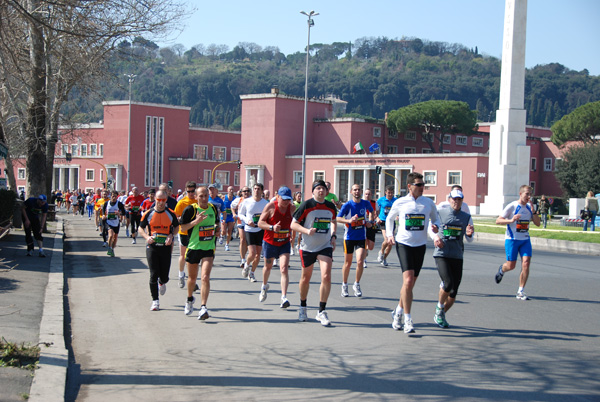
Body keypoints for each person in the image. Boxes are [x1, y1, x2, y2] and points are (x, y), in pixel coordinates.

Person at [386, 172, 440, 334]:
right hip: (404, 244)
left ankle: (398, 311)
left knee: (409, 285)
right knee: (408, 281)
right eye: (418, 185)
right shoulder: (401, 202)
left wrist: (436, 230)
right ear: (409, 186)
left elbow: (435, 220)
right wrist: (390, 235)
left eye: (423, 185)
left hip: (420, 245)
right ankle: (408, 320)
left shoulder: (428, 203)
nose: (422, 187)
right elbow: (389, 218)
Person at [290, 180, 337, 326]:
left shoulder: (330, 206)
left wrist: (333, 236)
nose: (321, 191)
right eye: (318, 189)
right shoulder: (306, 205)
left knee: (326, 275)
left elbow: (334, 221)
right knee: (306, 278)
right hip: (308, 247)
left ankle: (321, 311)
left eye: (323, 188)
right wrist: (306, 231)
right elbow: (293, 224)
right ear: (313, 191)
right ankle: (303, 306)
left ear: (326, 191)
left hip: (324, 245)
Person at [428, 189, 474, 328]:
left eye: (459, 199)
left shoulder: (466, 216)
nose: (456, 202)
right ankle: (439, 306)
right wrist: (436, 237)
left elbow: (469, 238)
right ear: (449, 199)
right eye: (454, 199)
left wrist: (469, 234)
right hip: (442, 253)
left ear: (462, 201)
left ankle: (440, 314)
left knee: (453, 293)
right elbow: (430, 228)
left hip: (457, 255)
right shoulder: (440, 212)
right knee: (448, 283)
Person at [179, 186, 220, 320]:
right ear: (196, 197)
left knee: (205, 277)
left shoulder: (213, 208)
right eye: (200, 196)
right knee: (192, 279)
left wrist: (218, 230)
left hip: (208, 248)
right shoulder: (190, 210)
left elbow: (217, 224)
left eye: (205, 195)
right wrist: (195, 222)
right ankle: (190, 299)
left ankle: (203, 307)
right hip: (193, 248)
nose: (203, 198)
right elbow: (182, 227)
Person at [494, 184, 541, 300]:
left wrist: (534, 211)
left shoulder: (530, 207)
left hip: (525, 239)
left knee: (526, 263)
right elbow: (498, 221)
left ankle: (521, 291)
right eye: (527, 194)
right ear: (520, 194)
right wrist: (511, 220)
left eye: (530, 194)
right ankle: (502, 269)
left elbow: (538, 223)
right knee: (511, 266)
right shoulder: (512, 206)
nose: (529, 197)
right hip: (512, 239)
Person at [139, 189, 179, 311]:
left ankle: (162, 282)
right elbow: (140, 228)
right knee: (153, 274)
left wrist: (171, 236)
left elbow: (177, 227)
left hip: (166, 248)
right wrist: (147, 237)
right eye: (158, 200)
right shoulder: (148, 213)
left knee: (164, 276)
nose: (160, 203)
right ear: (154, 199)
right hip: (152, 247)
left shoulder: (171, 213)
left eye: (163, 200)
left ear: (166, 200)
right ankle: (155, 301)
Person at [257, 186, 295, 307]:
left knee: (284, 268)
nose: (286, 202)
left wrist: (293, 234)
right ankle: (264, 285)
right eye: (283, 199)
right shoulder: (270, 206)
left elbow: (296, 222)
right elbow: (260, 223)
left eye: (288, 199)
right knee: (267, 267)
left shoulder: (292, 208)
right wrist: (272, 227)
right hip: (270, 242)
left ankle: (284, 297)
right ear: (277, 196)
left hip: (284, 242)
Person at [337, 184, 373, 297]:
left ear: (361, 191)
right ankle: (344, 285)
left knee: (360, 261)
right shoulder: (347, 205)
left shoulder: (365, 203)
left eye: (359, 190)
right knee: (347, 263)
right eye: (355, 190)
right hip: (349, 238)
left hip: (361, 237)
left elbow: (372, 212)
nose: (357, 191)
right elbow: (337, 218)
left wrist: (370, 222)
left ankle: (356, 284)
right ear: (351, 192)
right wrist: (349, 221)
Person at [239, 183, 268, 282]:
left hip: (260, 229)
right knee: (252, 253)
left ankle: (252, 273)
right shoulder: (246, 201)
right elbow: (240, 214)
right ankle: (246, 265)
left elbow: (269, 215)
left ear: (262, 191)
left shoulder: (265, 203)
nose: (256, 190)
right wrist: (247, 221)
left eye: (258, 189)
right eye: (255, 188)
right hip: (249, 229)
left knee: (258, 254)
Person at [174, 181, 198, 289]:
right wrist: (181, 220)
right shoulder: (182, 202)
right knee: (184, 256)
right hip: (184, 232)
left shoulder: (198, 201)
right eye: (188, 191)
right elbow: (176, 216)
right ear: (185, 191)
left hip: (195, 232)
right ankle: (181, 275)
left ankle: (191, 280)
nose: (191, 193)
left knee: (192, 257)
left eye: (193, 191)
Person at [376, 185, 397, 267]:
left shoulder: (395, 201)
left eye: (392, 193)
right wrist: (377, 218)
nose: (390, 194)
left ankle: (384, 258)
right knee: (387, 239)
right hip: (383, 221)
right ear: (385, 192)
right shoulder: (381, 200)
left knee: (390, 243)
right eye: (389, 193)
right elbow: (376, 210)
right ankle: (381, 252)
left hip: (391, 222)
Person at [102, 190, 126, 257]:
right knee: (110, 235)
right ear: (111, 196)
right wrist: (103, 215)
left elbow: (124, 213)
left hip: (116, 222)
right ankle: (109, 248)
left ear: (117, 197)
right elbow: (104, 211)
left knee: (115, 238)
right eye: (113, 196)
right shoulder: (107, 203)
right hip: (109, 222)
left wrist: (119, 214)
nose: (114, 197)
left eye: (115, 196)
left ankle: (112, 249)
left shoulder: (119, 204)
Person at [232, 186, 251, 268]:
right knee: (242, 239)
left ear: (250, 192)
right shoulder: (238, 200)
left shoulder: (252, 200)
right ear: (241, 192)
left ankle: (244, 254)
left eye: (247, 191)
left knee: (247, 241)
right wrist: (234, 214)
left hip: (250, 222)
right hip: (241, 222)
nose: (246, 192)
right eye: (244, 191)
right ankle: (243, 259)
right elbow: (232, 206)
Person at [362, 188, 377, 268]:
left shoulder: (374, 203)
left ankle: (366, 250)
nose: (367, 195)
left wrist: (374, 217)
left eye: (369, 194)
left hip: (371, 225)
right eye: (366, 194)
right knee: (364, 242)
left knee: (371, 246)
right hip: (362, 225)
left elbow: (377, 212)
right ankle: (364, 260)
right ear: (364, 195)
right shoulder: (361, 203)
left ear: (371, 195)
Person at [221, 186, 236, 251]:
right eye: (230, 189)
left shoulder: (235, 198)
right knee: (224, 231)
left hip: (231, 216)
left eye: (232, 189)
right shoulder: (224, 197)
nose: (231, 191)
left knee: (230, 231)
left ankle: (227, 245)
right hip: (224, 216)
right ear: (227, 190)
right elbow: (220, 205)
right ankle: (221, 236)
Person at [290, 191, 303, 256]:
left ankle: (298, 245)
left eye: (300, 196)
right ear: (295, 197)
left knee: (300, 235)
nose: (299, 197)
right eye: (298, 196)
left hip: (300, 221)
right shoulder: (293, 204)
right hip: (294, 221)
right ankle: (292, 248)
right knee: (293, 236)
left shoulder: (302, 204)